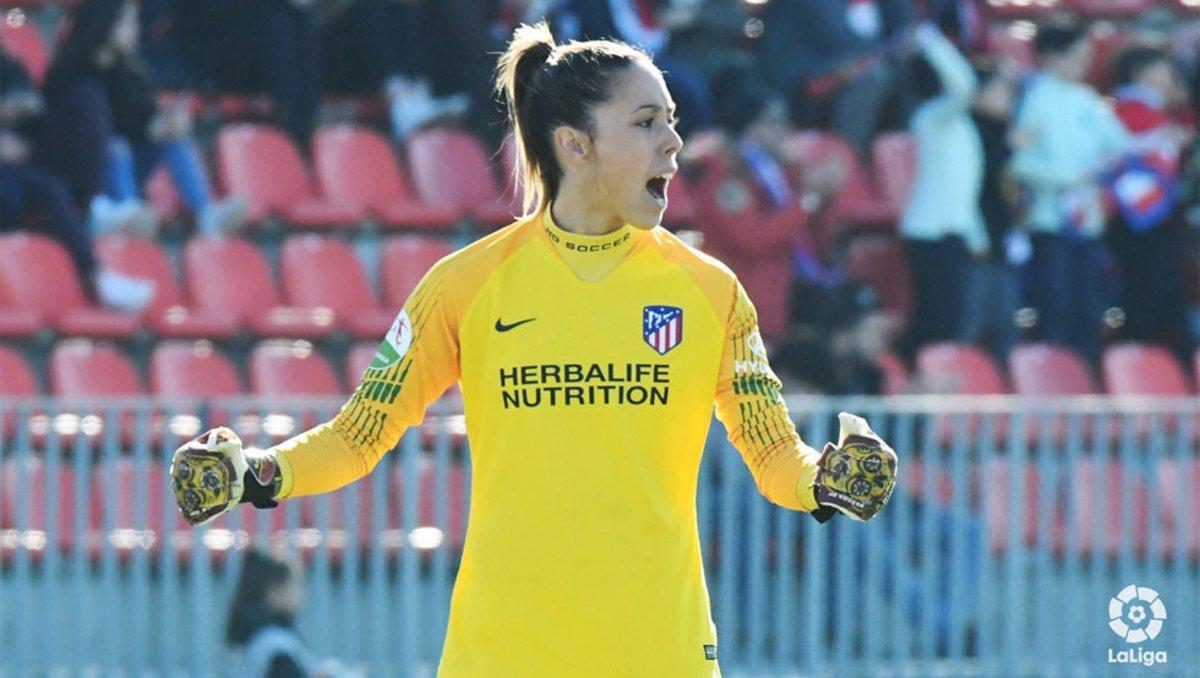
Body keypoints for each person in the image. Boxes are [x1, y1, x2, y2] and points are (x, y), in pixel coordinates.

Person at [171, 22, 897, 676]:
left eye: (672, 122)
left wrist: (823, 479)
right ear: (575, 144)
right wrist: (259, 474)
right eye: (647, 123)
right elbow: (361, 435)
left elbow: (773, 453)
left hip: (656, 652)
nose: (674, 143)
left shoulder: (711, 292)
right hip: (504, 652)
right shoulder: (466, 283)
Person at [40, 0, 246, 237]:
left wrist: (164, 123)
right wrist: (148, 129)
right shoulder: (77, 70)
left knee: (174, 138)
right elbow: (95, 126)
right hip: (92, 165)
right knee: (117, 146)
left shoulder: (131, 70)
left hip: (132, 157)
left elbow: (143, 117)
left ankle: (207, 212)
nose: (134, 28)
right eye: (127, 22)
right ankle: (127, 209)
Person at [1008, 20, 1131, 363]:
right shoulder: (1034, 98)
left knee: (1089, 307)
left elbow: (1119, 146)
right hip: (1050, 220)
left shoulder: (1088, 99)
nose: (1084, 64)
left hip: (1087, 221)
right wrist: (1066, 178)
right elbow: (1018, 161)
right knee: (1056, 305)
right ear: (1050, 56)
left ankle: (1084, 384)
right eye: (1076, 56)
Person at [0, 51, 154, 311]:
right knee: (47, 187)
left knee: (86, 98)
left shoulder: (7, 64)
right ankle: (95, 268)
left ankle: (95, 204)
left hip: (19, 155)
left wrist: (23, 108)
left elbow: (23, 92)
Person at [897, 24, 989, 358]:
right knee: (933, 322)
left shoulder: (958, 124)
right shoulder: (932, 117)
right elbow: (965, 84)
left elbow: (964, 184)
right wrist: (929, 38)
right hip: (929, 233)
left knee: (953, 322)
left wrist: (975, 233)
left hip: (953, 234)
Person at [1104, 45, 1195, 360]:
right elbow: (1114, 156)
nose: (1169, 75)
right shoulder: (1126, 111)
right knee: (1146, 299)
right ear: (1140, 72)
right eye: (1161, 67)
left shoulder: (1158, 113)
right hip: (1138, 221)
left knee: (1170, 300)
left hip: (1160, 220)